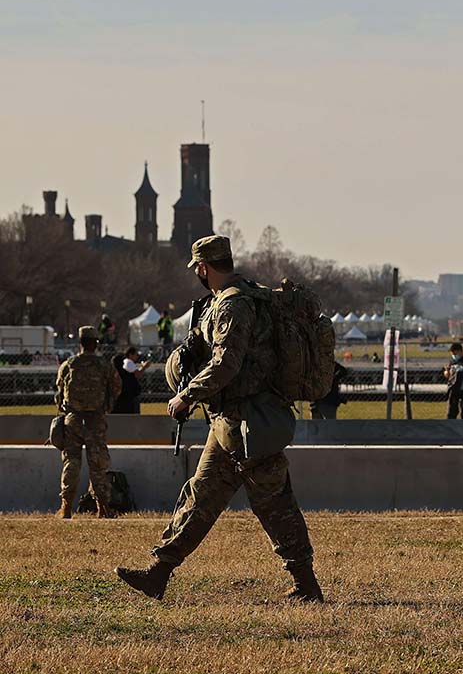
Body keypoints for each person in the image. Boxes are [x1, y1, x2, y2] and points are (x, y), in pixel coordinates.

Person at [115, 235, 322, 603]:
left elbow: (227, 364)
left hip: (251, 424)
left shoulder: (233, 305)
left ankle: (307, 585)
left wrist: (186, 395)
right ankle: (158, 574)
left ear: (204, 267)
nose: (196, 272)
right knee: (200, 497)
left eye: (197, 267)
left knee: (276, 505)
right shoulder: (238, 298)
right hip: (230, 423)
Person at [55, 325, 122, 519]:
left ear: (80, 343)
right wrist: (106, 405)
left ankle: (66, 507)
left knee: (72, 462)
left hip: (73, 419)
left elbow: (59, 391)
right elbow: (117, 386)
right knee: (98, 465)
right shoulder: (104, 365)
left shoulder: (69, 364)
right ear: (95, 343)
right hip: (95, 420)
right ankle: (103, 508)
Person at [113, 347, 150, 414]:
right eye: (135, 354)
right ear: (130, 354)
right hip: (130, 395)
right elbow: (137, 374)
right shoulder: (129, 362)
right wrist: (144, 367)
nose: (137, 356)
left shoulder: (126, 363)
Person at [443, 343, 463, 420]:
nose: (454, 355)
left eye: (455, 353)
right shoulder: (452, 362)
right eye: (452, 354)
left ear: (460, 351)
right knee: (452, 410)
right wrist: (447, 372)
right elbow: (448, 375)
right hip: (454, 389)